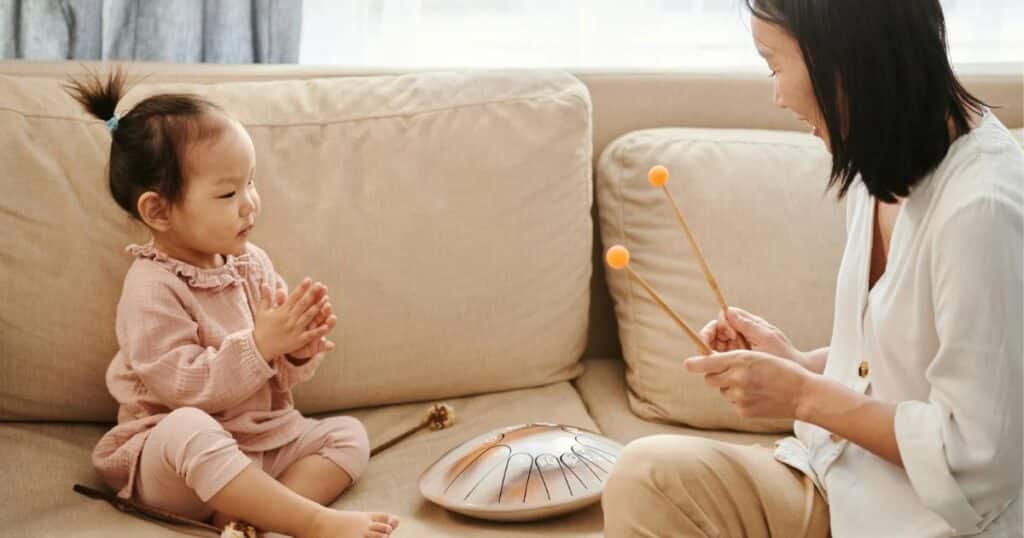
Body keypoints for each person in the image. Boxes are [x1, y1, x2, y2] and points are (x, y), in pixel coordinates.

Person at [602, 1, 1023, 536]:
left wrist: (802, 394)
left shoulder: (983, 211)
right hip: (839, 484)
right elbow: (898, 363)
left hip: (932, 522)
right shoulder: (884, 164)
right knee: (647, 476)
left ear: (844, 60)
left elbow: (977, 458)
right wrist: (799, 361)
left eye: (775, 64)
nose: (777, 95)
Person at [68, 70, 400, 538]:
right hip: (178, 465)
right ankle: (311, 521)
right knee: (186, 428)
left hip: (260, 440)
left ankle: (249, 516)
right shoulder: (151, 287)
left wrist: (295, 348)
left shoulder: (251, 263)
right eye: (228, 193)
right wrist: (261, 345)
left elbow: (275, 377)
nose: (249, 203)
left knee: (347, 435)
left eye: (251, 183)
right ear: (158, 211)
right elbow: (186, 387)